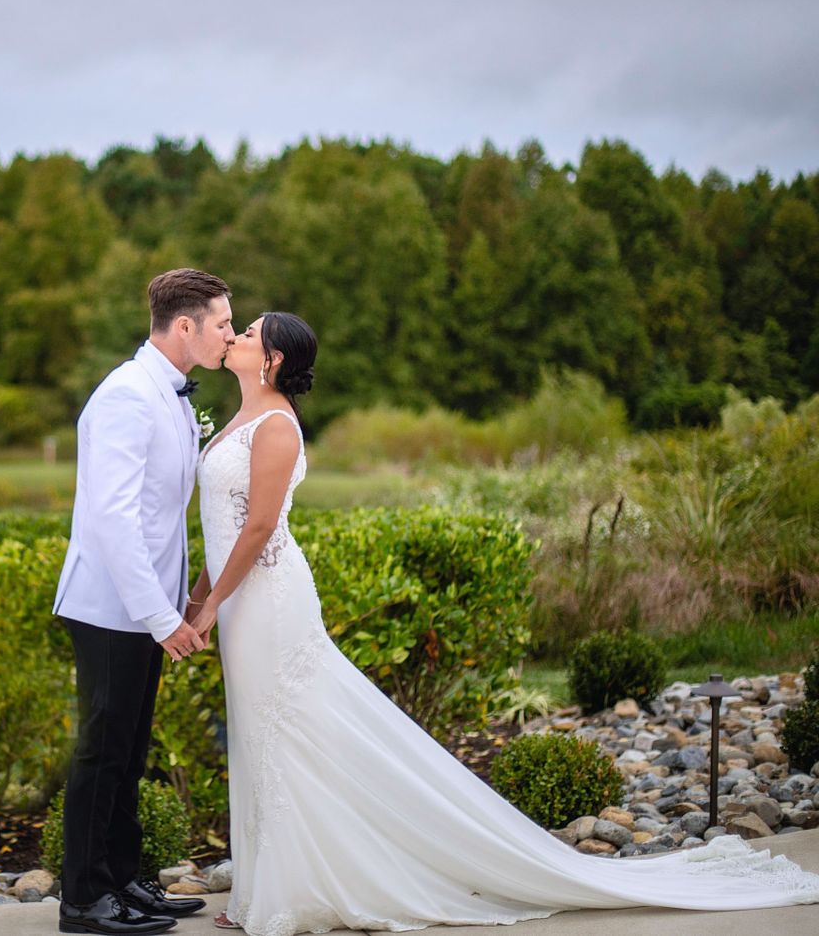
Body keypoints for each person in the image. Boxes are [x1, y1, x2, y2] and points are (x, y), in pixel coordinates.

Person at [187, 311, 819, 935]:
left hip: (270, 601)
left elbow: (259, 527)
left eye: (250, 332)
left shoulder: (277, 426)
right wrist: (198, 600)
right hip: (240, 602)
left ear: (272, 359)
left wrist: (211, 606)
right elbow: (223, 526)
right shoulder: (240, 418)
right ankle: (266, 886)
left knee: (282, 734)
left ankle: (292, 891)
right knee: (259, 734)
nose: (237, 335)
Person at [54, 268, 236, 935]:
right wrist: (160, 616)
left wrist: (177, 602)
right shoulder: (126, 395)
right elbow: (115, 519)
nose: (230, 334)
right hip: (110, 609)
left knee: (130, 753)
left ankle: (122, 881)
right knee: (102, 751)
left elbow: (162, 516)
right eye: (223, 323)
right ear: (185, 326)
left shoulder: (172, 394)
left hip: (146, 606)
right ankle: (83, 900)